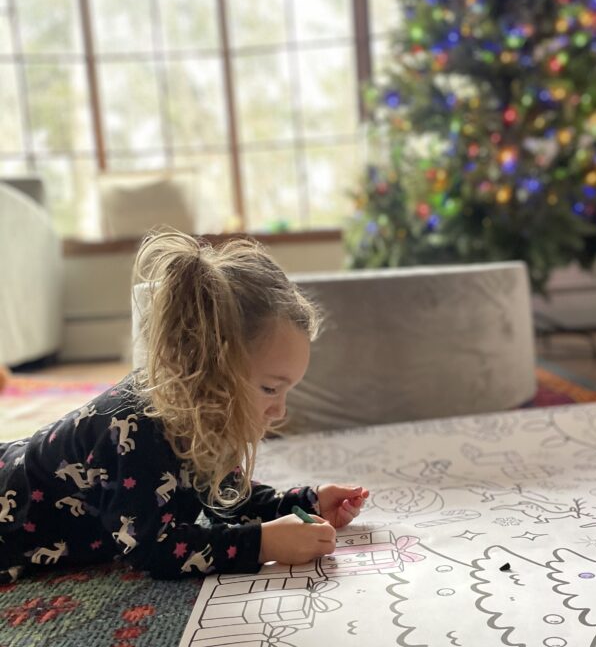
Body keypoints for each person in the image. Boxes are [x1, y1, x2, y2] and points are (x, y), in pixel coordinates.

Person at [0, 230, 368, 585]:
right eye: (270, 388)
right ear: (205, 364)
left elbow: (230, 501)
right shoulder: (135, 430)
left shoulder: (202, 411)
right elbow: (153, 548)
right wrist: (263, 543)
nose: (279, 411)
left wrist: (307, 502)